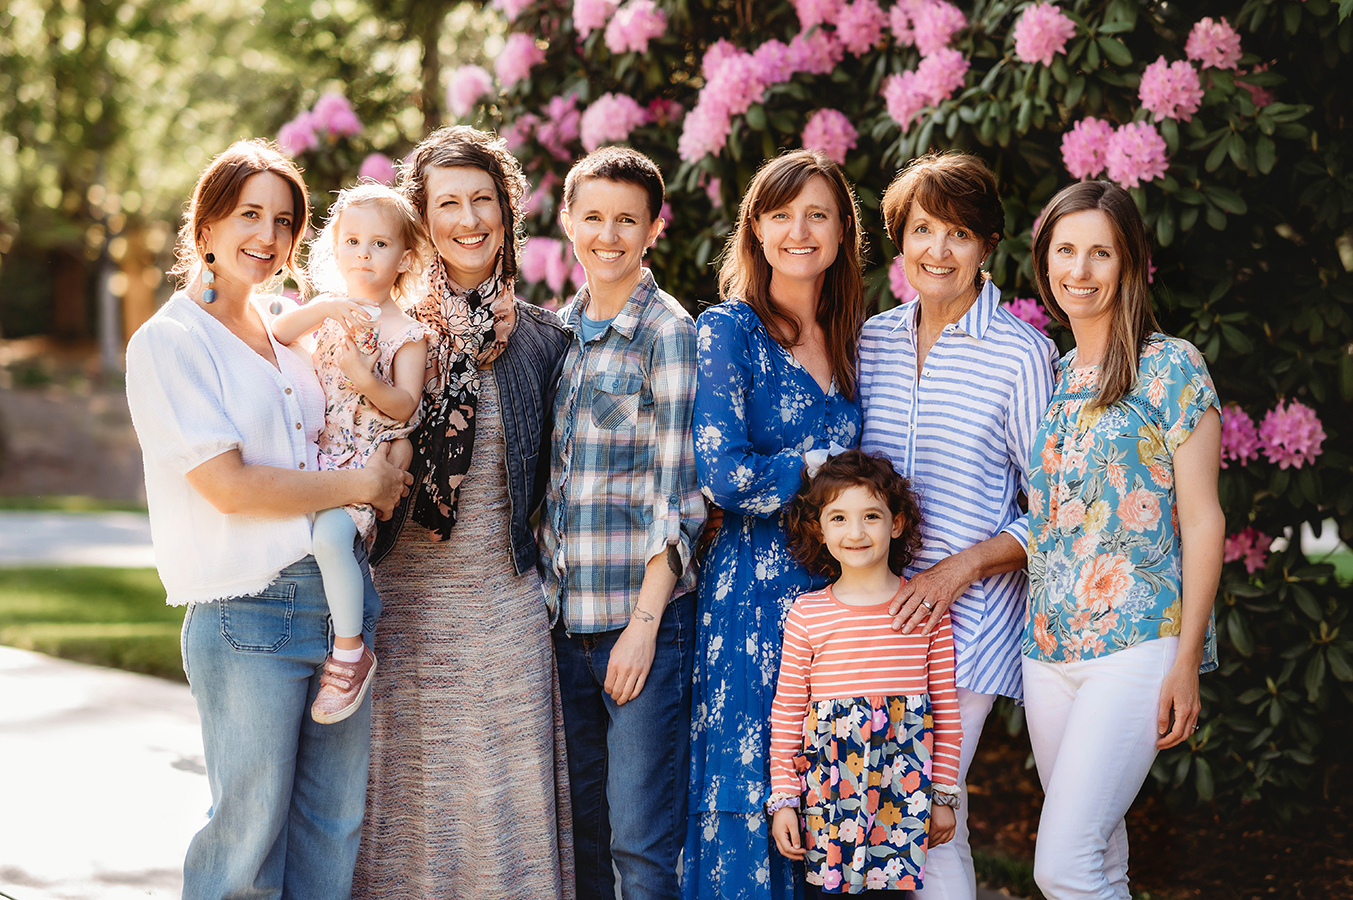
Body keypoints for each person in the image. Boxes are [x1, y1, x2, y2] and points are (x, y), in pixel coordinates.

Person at [124, 139, 411, 899]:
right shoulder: (170, 340)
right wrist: (364, 484)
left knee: (332, 831)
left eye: (284, 221)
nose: (268, 236)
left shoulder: (293, 329)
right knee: (246, 845)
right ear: (206, 223)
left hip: (339, 604)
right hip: (249, 611)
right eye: (249, 214)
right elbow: (229, 487)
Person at [351, 126, 575, 899]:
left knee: (499, 810)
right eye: (447, 202)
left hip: (503, 599)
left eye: (483, 199)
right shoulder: (379, 329)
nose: (468, 218)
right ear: (420, 221)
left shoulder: (544, 339)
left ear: (507, 215)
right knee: (404, 806)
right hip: (403, 595)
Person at [856, 152, 1057, 900]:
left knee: (911, 813)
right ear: (899, 238)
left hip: (966, 619)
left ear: (986, 245)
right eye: (921, 230)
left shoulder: (1021, 355)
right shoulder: (870, 339)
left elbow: (1056, 508)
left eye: (959, 234)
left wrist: (962, 566)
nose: (937, 251)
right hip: (873, 615)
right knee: (933, 821)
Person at [1022, 180, 1223, 900]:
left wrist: (1187, 658)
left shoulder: (1170, 366)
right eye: (1065, 250)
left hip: (1137, 643)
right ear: (1044, 261)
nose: (1079, 269)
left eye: (1099, 252)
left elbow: (1203, 519)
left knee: (1062, 865)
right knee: (1100, 856)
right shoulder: (1044, 376)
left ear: (1131, 261)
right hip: (1044, 648)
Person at [686, 149, 868, 900]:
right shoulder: (726, 328)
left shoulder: (856, 333)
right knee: (758, 782)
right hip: (753, 597)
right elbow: (721, 474)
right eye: (781, 213)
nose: (799, 230)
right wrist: (823, 463)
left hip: (844, 598)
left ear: (840, 231)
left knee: (834, 787)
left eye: (817, 214)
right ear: (755, 229)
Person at [539, 145, 706, 900]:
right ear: (568, 220)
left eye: (627, 221)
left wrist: (644, 624)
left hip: (638, 628)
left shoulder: (667, 332)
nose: (608, 235)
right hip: (563, 627)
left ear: (653, 230)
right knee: (583, 840)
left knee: (640, 845)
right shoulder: (556, 334)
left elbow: (680, 497)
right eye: (594, 217)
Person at [270, 183, 431, 724]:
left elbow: (407, 405)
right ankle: (323, 636)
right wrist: (324, 307)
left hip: (368, 454)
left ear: (404, 258)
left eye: (379, 244)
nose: (364, 254)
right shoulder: (331, 315)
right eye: (353, 241)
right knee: (305, 539)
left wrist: (366, 380)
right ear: (335, 249)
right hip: (321, 453)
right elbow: (278, 331)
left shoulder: (407, 332)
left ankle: (350, 652)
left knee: (331, 536)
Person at [769, 449, 962, 896]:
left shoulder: (924, 608)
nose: (855, 532)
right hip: (829, 795)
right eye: (838, 518)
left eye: (871, 516)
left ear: (895, 524)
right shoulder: (807, 615)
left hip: (903, 792)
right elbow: (787, 713)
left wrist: (944, 796)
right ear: (819, 529)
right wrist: (784, 800)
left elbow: (946, 710)